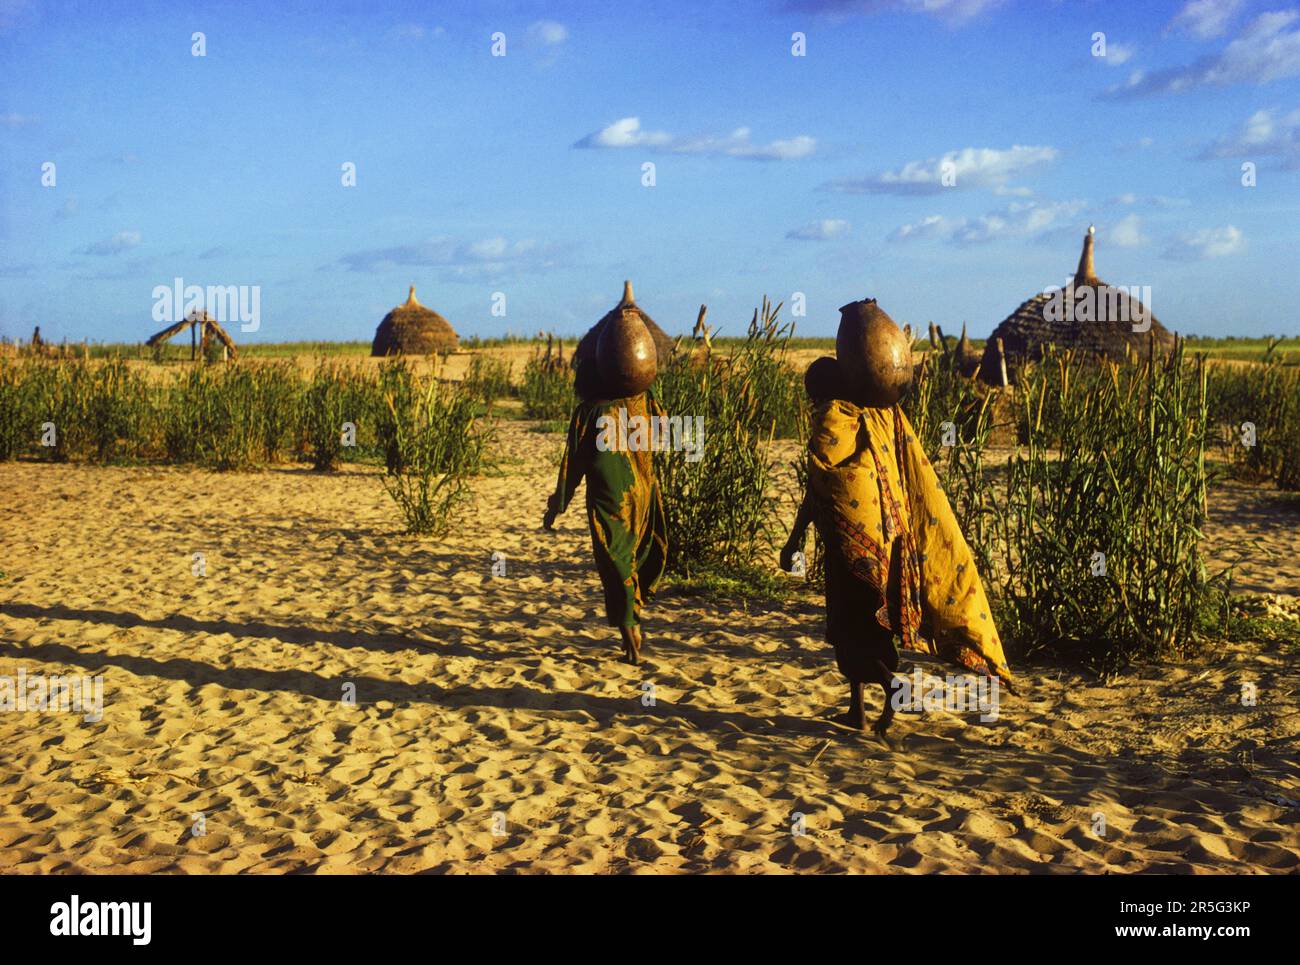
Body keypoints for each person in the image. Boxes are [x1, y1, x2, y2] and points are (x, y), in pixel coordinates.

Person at [782, 300, 1014, 742]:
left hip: (853, 555)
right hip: (889, 543)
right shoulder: (880, 417)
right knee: (863, 630)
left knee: (855, 635)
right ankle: (859, 711)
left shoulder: (833, 422)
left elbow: (820, 491)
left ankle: (892, 695)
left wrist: (794, 541)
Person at [543, 352, 667, 665]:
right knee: (637, 553)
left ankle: (629, 633)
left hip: (609, 493)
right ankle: (633, 620)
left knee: (616, 559)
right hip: (643, 489)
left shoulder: (588, 411)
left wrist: (557, 505)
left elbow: (572, 464)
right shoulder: (642, 401)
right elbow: (665, 432)